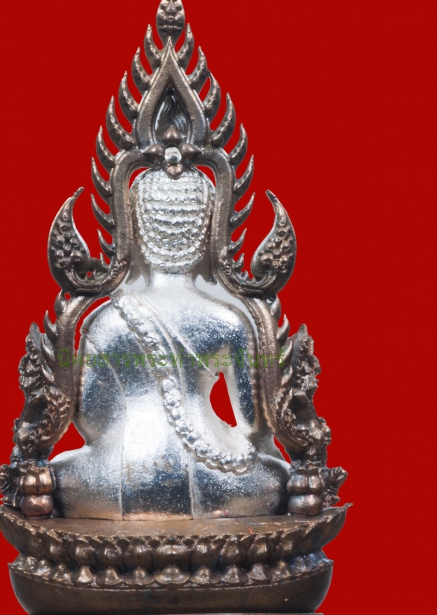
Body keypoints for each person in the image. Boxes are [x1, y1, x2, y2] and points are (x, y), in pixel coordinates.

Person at [51, 166, 289, 520]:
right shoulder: (230, 320)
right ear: (213, 233)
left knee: (55, 477)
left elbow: (89, 420)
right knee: (281, 480)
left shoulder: (106, 319)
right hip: (214, 473)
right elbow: (255, 425)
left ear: (130, 231)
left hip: (115, 478)